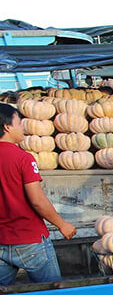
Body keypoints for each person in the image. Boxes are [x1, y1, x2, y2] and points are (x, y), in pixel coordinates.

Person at [0, 103, 76, 285]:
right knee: (52, 294)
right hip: (30, 240)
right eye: (19, 123)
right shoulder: (23, 158)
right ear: (7, 127)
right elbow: (37, 200)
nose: (22, 127)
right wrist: (61, 224)